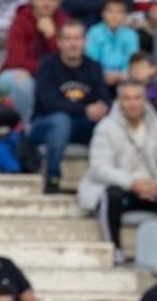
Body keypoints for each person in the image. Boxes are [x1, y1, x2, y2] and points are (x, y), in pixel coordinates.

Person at [79, 80, 157, 261]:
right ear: (119, 101)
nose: (133, 103)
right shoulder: (106, 128)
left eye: (137, 98)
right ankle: (115, 249)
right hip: (124, 188)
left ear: (145, 100)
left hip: (154, 188)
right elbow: (100, 167)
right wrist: (132, 183)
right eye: (127, 99)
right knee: (110, 196)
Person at [29, 22, 110, 196]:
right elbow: (50, 103)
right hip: (45, 124)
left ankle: (106, 182)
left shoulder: (94, 67)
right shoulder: (47, 66)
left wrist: (102, 108)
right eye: (68, 39)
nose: (73, 44)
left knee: (110, 124)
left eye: (77, 38)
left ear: (84, 41)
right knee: (61, 121)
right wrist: (85, 110)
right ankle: (52, 178)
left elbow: (104, 98)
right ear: (59, 42)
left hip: (81, 125)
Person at [0, 0, 65, 123]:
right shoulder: (20, 21)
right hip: (16, 73)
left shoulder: (63, 21)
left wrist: (51, 36)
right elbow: (16, 61)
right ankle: (25, 129)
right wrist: (46, 70)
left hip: (47, 75)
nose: (47, 2)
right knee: (23, 84)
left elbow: (65, 60)